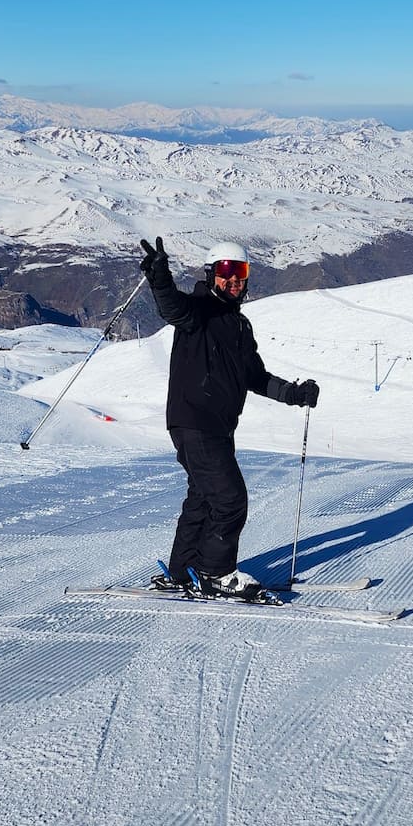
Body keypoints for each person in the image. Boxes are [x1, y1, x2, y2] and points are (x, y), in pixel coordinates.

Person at [139, 235, 319, 598]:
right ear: (211, 274)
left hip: (217, 427)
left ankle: (183, 570)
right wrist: (160, 278)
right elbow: (172, 308)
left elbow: (255, 376)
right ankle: (216, 572)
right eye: (225, 270)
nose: (234, 279)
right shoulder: (198, 310)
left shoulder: (239, 326)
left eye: (240, 271)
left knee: (203, 498)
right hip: (196, 421)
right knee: (229, 499)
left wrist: (294, 394)